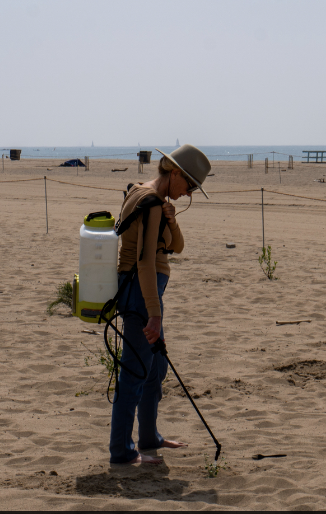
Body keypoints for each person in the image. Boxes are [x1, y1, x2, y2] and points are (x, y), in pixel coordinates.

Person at [109, 144, 211, 465]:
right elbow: (144, 263)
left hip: (144, 293)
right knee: (135, 372)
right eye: (190, 185)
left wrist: (172, 220)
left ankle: (149, 436)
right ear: (175, 173)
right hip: (141, 294)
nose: (189, 193)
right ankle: (122, 452)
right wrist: (153, 314)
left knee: (155, 370)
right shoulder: (151, 202)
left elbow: (176, 246)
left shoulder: (146, 194)